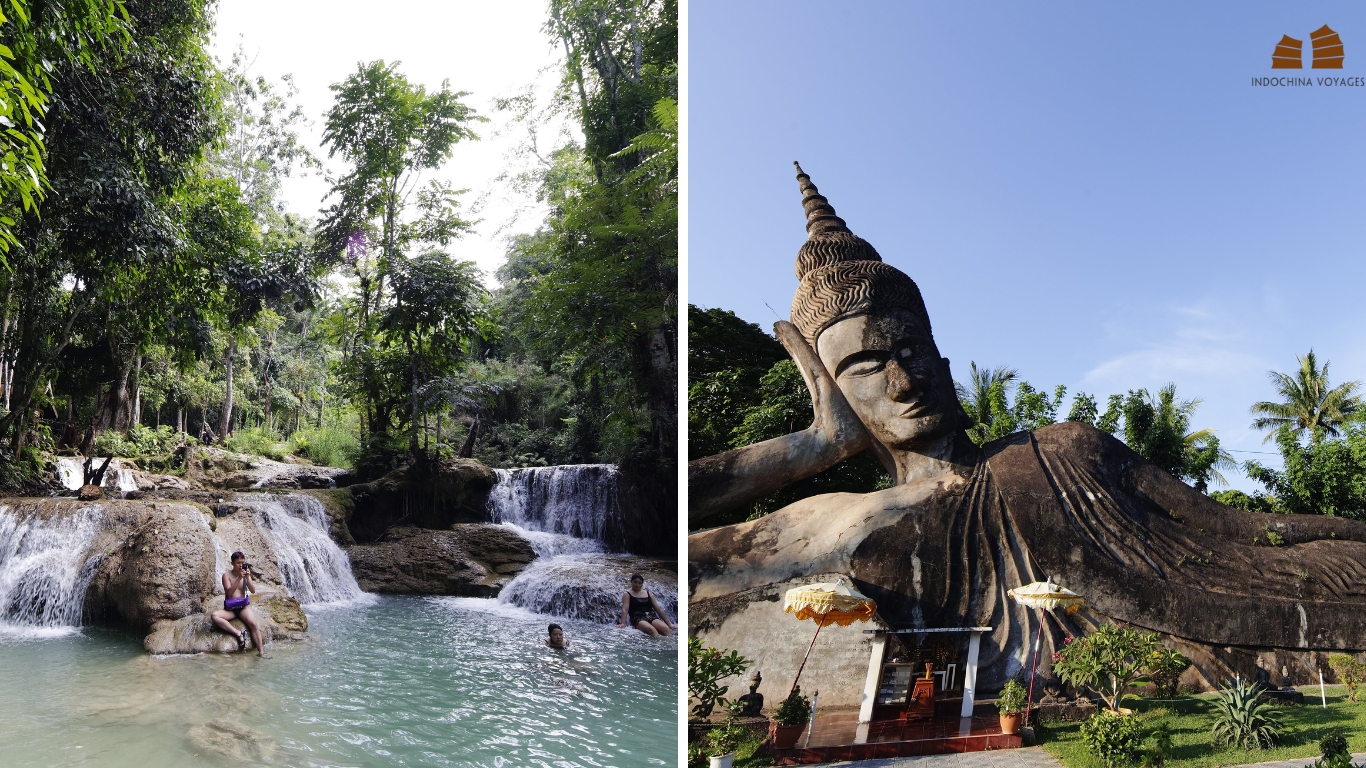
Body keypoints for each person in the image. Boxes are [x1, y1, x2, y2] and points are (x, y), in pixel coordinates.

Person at [210, 551, 269, 658]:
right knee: (214, 616)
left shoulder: (245, 574)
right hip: (230, 609)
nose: (241, 565)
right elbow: (229, 592)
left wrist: (248, 577)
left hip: (242, 607)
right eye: (238, 563)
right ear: (232, 563)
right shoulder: (226, 576)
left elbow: (253, 590)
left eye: (242, 562)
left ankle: (261, 652)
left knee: (254, 624)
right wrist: (238, 578)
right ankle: (237, 633)